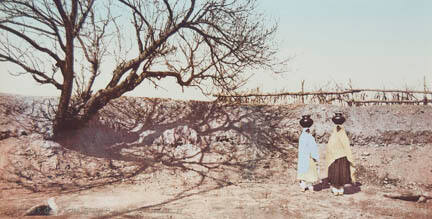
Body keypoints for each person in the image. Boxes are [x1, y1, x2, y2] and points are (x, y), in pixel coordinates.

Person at [325, 123, 356, 196]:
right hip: (342, 157)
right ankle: (340, 189)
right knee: (342, 173)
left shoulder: (333, 136)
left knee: (335, 173)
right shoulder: (343, 135)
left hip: (335, 158)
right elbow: (347, 147)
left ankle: (336, 189)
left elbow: (329, 147)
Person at [297, 116, 320, 192]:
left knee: (304, 169)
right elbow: (313, 147)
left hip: (303, 156)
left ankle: (304, 186)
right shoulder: (308, 136)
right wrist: (315, 156)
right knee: (308, 170)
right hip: (308, 156)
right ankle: (307, 186)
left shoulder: (302, 136)